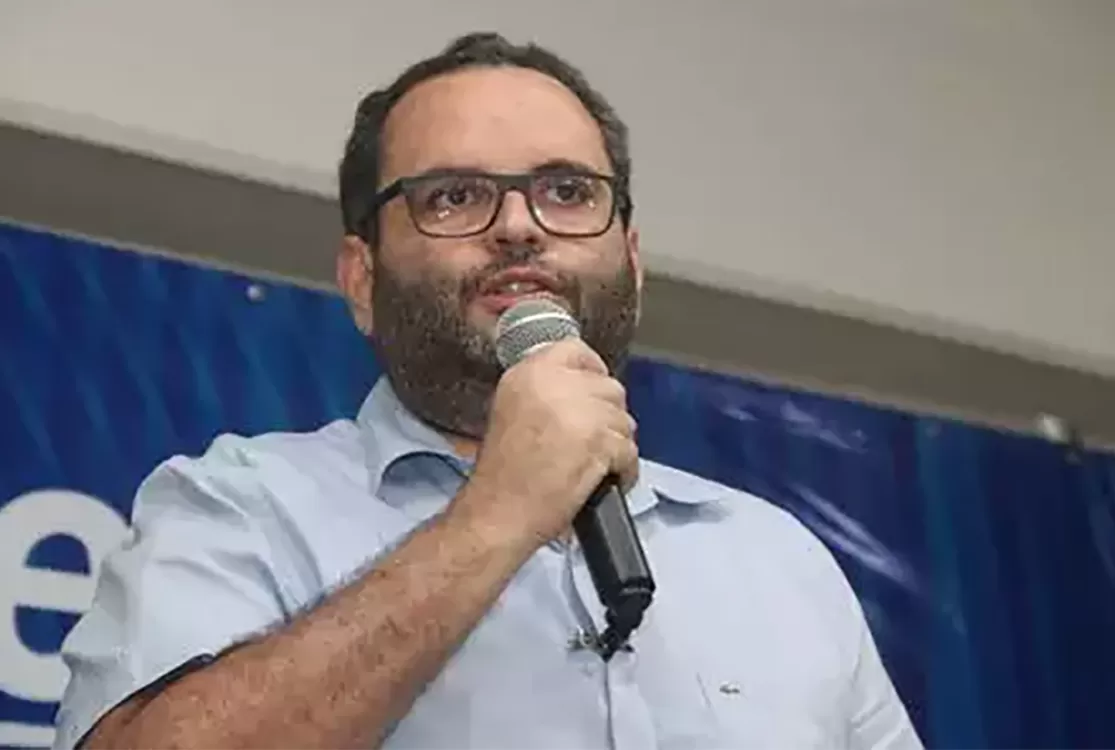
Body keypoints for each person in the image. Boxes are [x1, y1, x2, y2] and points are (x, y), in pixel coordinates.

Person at [54, 32, 922, 750]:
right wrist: (497, 515)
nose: (517, 226)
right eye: (454, 196)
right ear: (362, 279)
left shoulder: (777, 561)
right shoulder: (236, 506)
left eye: (567, 192)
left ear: (632, 261)